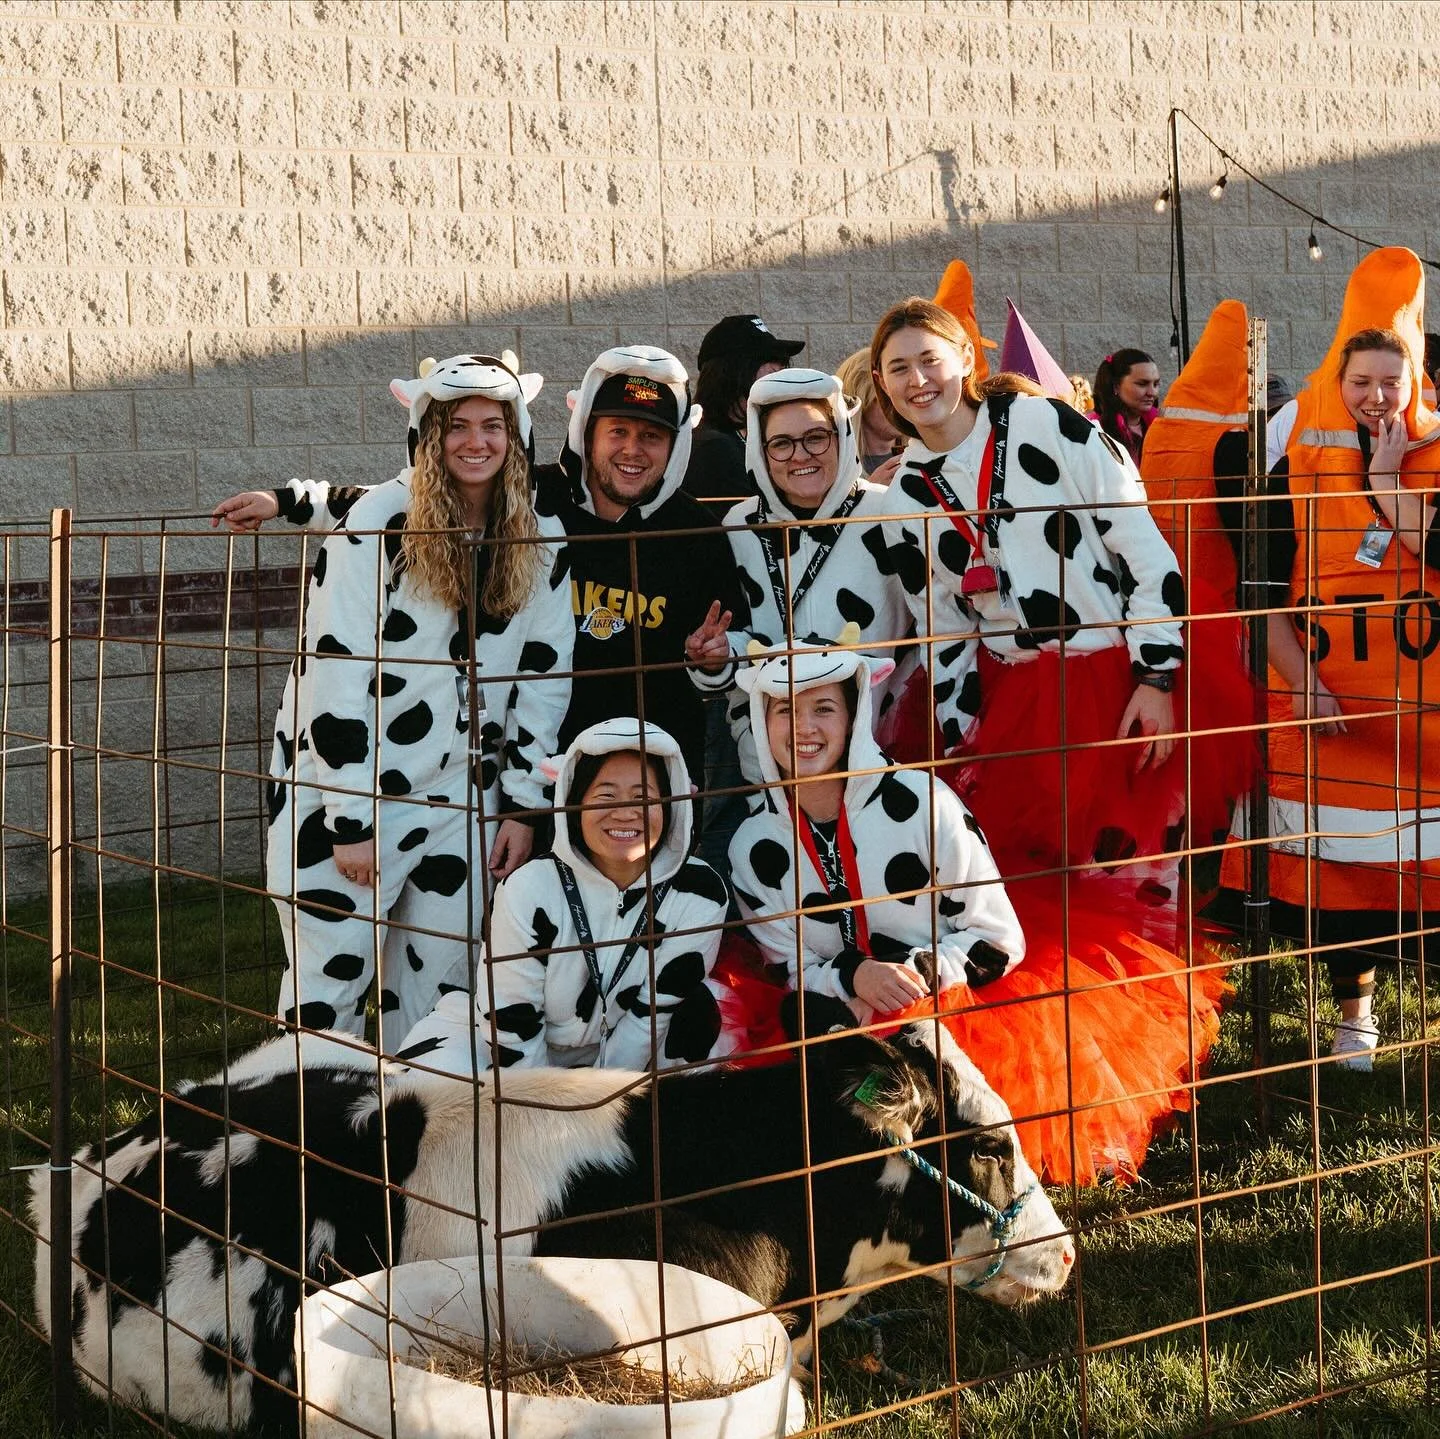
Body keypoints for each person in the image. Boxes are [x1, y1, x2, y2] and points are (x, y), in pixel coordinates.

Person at [719, 632, 1224, 1185]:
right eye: (785, 711)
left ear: (855, 714)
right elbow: (788, 969)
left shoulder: (923, 805)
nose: (805, 729)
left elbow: (999, 938)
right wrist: (854, 976)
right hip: (837, 1016)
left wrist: (913, 975)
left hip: (954, 1005)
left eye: (823, 708)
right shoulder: (755, 844)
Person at [218, 345, 747, 811]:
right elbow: (409, 501)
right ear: (588, 431)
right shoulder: (533, 501)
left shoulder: (697, 533)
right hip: (542, 772)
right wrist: (288, 501)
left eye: (652, 436)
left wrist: (717, 658)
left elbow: (734, 646)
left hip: (651, 771)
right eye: (619, 431)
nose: (633, 450)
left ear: (675, 445)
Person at [266, 354, 573, 1042]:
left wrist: (522, 803)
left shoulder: (541, 537)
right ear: (427, 435)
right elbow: (334, 671)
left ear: (516, 432)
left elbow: (545, 679)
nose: (476, 441)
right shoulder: (376, 524)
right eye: (456, 425)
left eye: (492, 424)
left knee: (445, 993)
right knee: (326, 994)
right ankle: (310, 1141)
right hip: (348, 794)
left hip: (464, 804)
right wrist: (351, 819)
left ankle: (415, 1139)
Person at [1216, 297, 1440, 1070]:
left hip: (1430, 720)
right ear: (1335, 384)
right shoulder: (1291, 471)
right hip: (1336, 717)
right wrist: (1304, 683)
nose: (1378, 396)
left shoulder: (1435, 461)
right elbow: (1257, 596)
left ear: (1416, 384)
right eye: (1362, 382)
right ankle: (1357, 1019)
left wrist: (1386, 479)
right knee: (1341, 872)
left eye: (1392, 381)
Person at [395, 718, 730, 1073]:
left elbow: (650, 1017)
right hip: (507, 1051)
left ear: (672, 803)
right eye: (606, 796)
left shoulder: (699, 891)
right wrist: (551, 1116)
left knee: (702, 1022)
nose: (626, 812)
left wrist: (601, 1105)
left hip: (630, 1056)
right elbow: (511, 1025)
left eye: (643, 796)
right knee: (430, 1083)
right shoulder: (530, 888)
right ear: (572, 802)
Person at [704, 367, 915, 782]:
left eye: (816, 437)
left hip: (876, 754)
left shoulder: (890, 511)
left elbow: (931, 628)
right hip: (768, 760)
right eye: (781, 443)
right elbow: (743, 637)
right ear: (760, 452)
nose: (801, 455)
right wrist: (715, 653)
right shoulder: (739, 525)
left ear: (841, 435)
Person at [684, 314, 805, 508]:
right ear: (734, 370)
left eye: (782, 361)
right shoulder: (714, 448)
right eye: (770, 359)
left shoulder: (745, 437)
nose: (781, 369)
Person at [836, 347, 906, 480]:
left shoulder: (921, 454)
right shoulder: (833, 466)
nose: (899, 405)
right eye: (887, 398)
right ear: (861, 401)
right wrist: (870, 493)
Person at [1091, 348, 1161, 465]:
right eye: (1142, 384)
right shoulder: (1092, 430)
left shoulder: (1161, 426)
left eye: (1156, 384)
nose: (1152, 392)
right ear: (1116, 386)